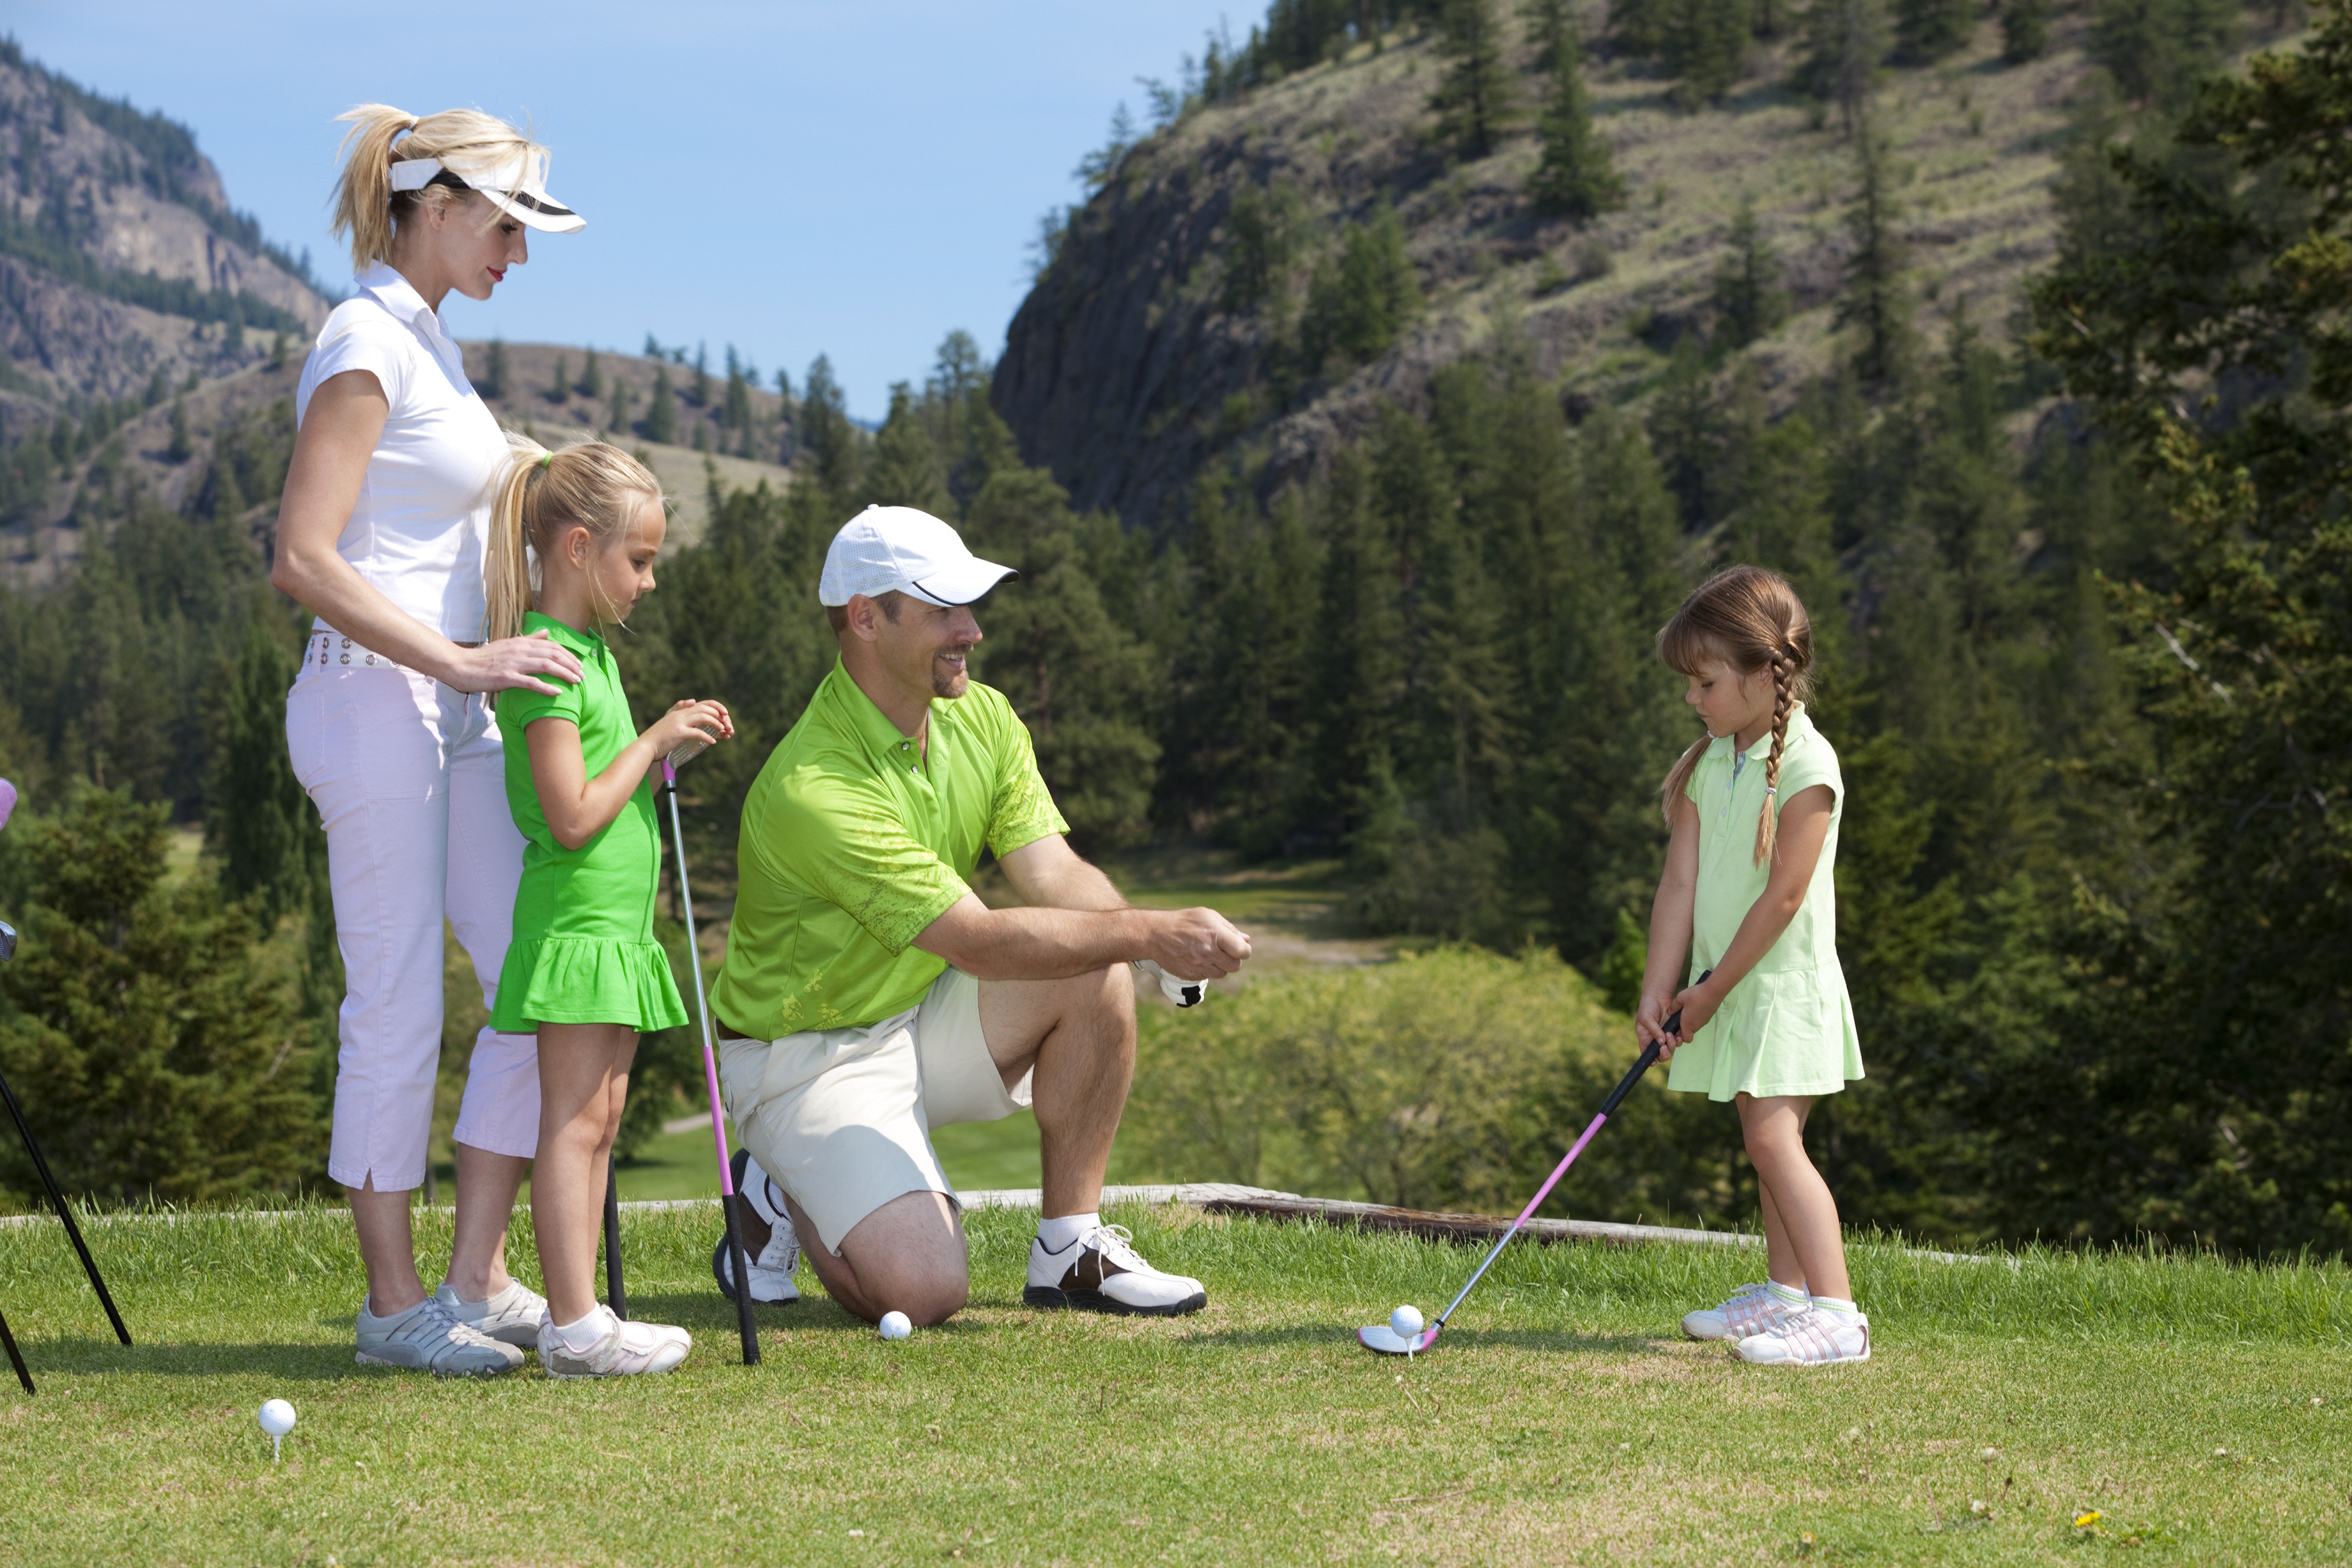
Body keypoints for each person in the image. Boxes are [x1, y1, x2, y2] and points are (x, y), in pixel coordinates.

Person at [707, 506, 1252, 1326]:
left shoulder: (982, 716)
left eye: (970, 606)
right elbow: (978, 940)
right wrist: (1151, 930)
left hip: (919, 1012)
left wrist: (1145, 949)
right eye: (943, 611)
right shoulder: (813, 786)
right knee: (927, 1291)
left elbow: (1052, 871)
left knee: (1092, 959)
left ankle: (1070, 1249)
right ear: (865, 618)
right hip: (805, 1058)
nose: (973, 630)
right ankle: (780, 1180)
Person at [271, 104, 588, 1375]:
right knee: (396, 1003)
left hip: (444, 716)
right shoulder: (363, 340)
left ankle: (476, 1275)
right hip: (371, 705)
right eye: (507, 225)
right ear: (439, 203)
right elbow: (302, 555)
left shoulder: (429, 346)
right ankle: (393, 1307)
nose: (519, 253)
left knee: (527, 975)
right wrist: (460, 659)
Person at [481, 437, 731, 1376]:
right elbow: (574, 815)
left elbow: (608, 785)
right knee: (573, 1124)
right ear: (580, 548)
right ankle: (577, 1323)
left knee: (604, 1120)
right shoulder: (548, 666)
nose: (650, 581)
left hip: (615, 929)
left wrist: (669, 750)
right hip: (577, 923)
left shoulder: (590, 655)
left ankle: (580, 1316)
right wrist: (656, 735)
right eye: (641, 560)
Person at [1635, 566, 1869, 1366]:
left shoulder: (1810, 765)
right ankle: (1786, 1294)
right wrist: (1659, 987)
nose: (1693, 698)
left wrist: (1710, 990)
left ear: (1764, 671)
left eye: (1705, 680)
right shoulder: (1711, 762)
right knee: (1760, 1133)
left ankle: (1838, 1316)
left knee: (1774, 1140)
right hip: (1724, 987)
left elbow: (1783, 898)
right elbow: (1680, 882)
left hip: (1777, 989)